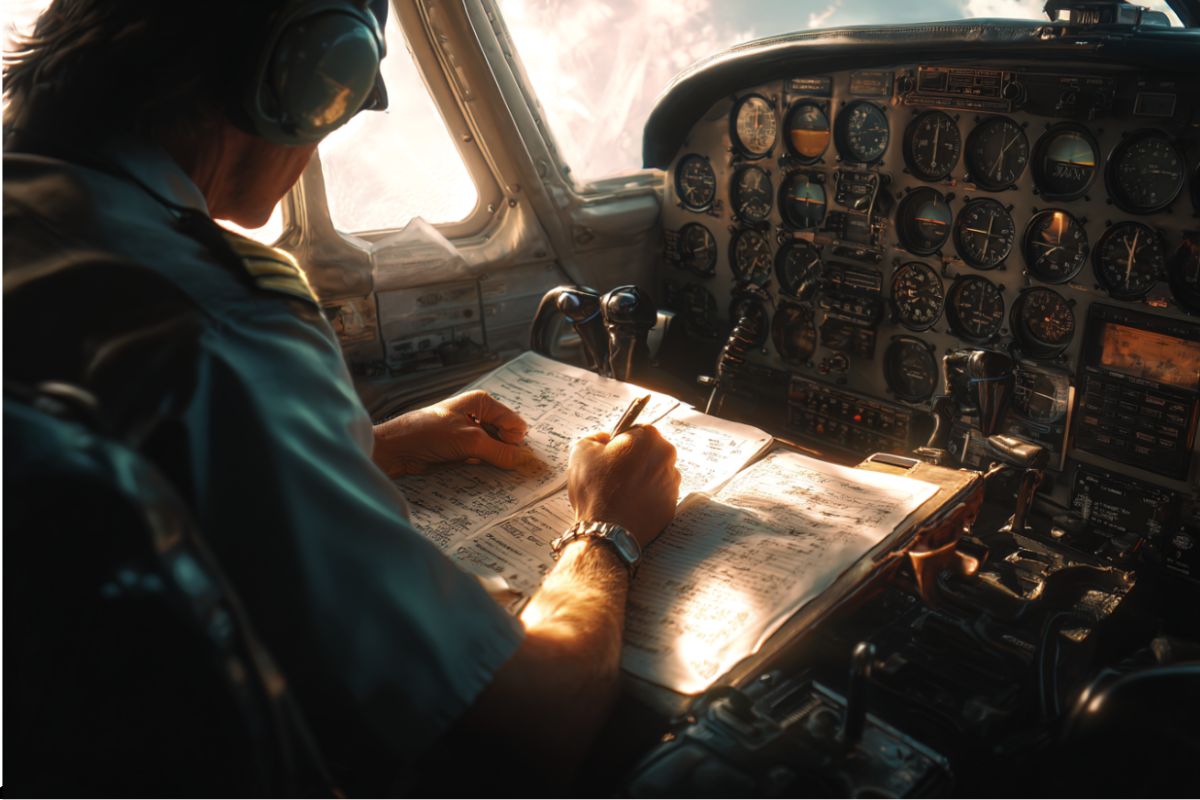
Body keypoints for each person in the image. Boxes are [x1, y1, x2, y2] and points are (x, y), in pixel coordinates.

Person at [2, 0, 680, 792]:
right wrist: (609, 529)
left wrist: (379, 442)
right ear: (303, 72)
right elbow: (528, 726)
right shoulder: (221, 327)